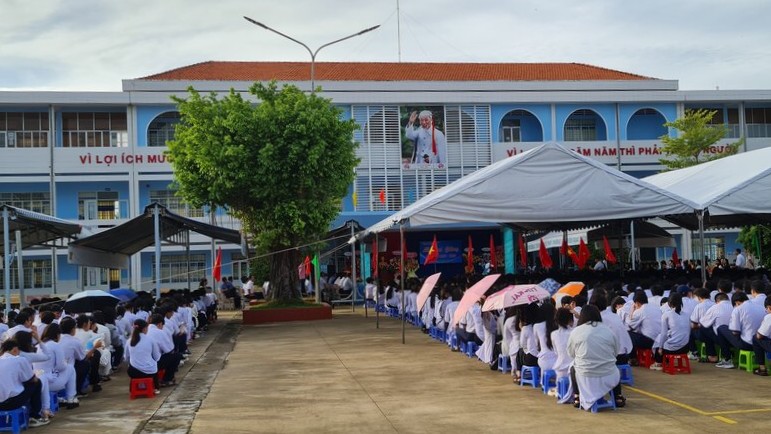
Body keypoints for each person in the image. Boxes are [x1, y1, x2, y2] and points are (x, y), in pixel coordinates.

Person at [567, 305, 622, 410]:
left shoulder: (576, 331)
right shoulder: (608, 330)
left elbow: (571, 353)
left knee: (573, 368)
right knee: (615, 367)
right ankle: (618, 396)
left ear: (582, 316)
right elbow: (615, 352)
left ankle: (577, 397)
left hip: (585, 375)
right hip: (608, 375)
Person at [0, 339, 49, 427]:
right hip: (11, 402)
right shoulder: (19, 359)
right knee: (37, 383)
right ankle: (34, 417)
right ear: (15, 349)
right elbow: (32, 379)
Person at [715, 292, 765, 369]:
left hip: (747, 344)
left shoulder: (738, 309)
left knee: (721, 328)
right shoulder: (761, 308)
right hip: (761, 343)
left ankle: (727, 359)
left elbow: (735, 332)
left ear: (736, 302)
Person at [650, 293, 691, 370]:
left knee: (659, 340)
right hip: (686, 348)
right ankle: (665, 361)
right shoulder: (686, 315)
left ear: (669, 303)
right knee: (665, 339)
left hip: (672, 349)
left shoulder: (667, 315)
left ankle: (658, 362)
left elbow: (664, 334)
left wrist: (660, 348)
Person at [127, 319, 160, 393]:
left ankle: (132, 389)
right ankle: (156, 388)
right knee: (154, 364)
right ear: (145, 328)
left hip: (133, 372)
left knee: (131, 365)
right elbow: (157, 357)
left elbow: (126, 357)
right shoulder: (150, 339)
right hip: (149, 372)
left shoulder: (129, 341)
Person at [751, 297, 771, 376]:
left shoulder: (769, 317)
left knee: (755, 338)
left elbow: (759, 336)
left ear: (769, 307)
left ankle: (762, 368)